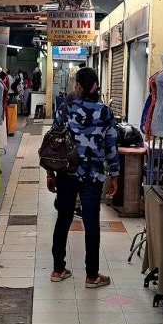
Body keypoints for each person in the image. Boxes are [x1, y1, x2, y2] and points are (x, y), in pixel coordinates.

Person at [47, 67, 119, 288]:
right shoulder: (105, 112)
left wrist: (50, 172)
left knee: (63, 219)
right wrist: (114, 175)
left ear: (79, 86)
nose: (74, 87)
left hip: (66, 174)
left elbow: (53, 142)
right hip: (93, 176)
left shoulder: (65, 109)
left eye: (76, 84)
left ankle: (58, 270)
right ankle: (91, 275)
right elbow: (111, 146)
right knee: (91, 223)